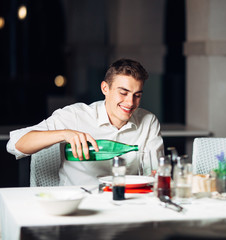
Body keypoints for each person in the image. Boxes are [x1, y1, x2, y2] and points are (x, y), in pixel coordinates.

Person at [7, 58, 164, 185]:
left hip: (125, 204)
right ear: (105, 89)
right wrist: (64, 134)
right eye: (123, 93)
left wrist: (156, 175)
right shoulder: (75, 115)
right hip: (78, 206)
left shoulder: (148, 122)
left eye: (137, 95)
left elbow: (154, 171)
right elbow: (14, 144)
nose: (130, 102)